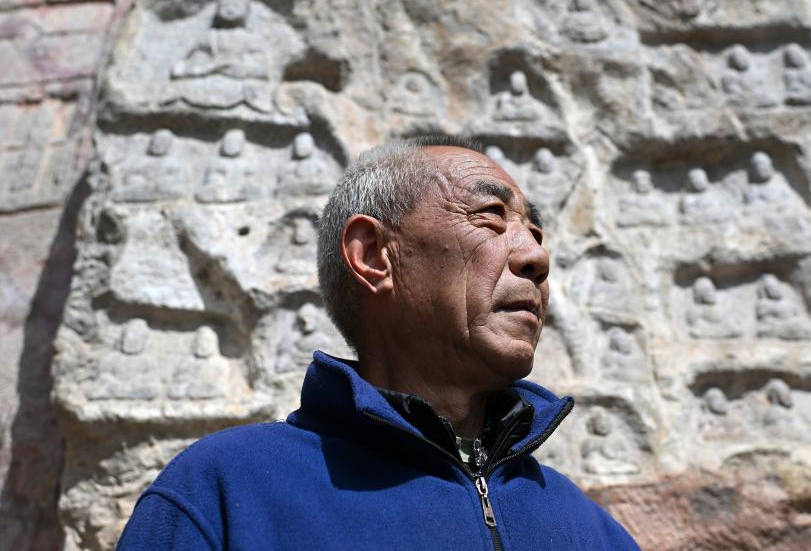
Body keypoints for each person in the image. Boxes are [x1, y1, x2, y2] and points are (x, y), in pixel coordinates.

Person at [117, 136, 639, 550]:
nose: (537, 258)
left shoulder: (589, 530)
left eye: (536, 234)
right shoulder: (224, 493)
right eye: (489, 218)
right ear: (373, 256)